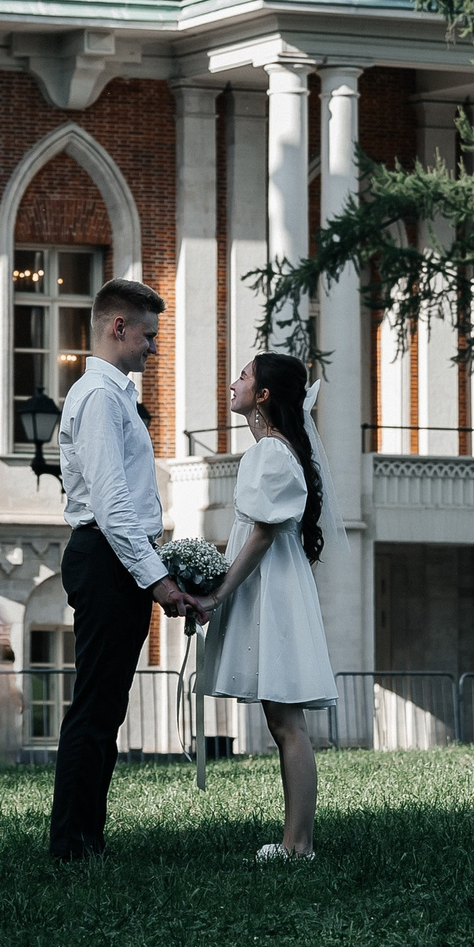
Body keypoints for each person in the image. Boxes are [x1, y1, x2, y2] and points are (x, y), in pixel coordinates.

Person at [47, 277, 192, 863]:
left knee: (105, 706)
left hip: (110, 559)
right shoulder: (101, 397)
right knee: (96, 706)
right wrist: (155, 578)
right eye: (149, 336)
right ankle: (73, 845)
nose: (153, 348)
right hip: (105, 559)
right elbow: (111, 503)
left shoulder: (111, 396)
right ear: (118, 327)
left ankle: (85, 837)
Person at [193, 352, 338, 861]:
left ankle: (298, 844)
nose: (233, 383)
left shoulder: (270, 454)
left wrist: (216, 593)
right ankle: (296, 840)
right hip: (272, 583)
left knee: (286, 722)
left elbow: (258, 537)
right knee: (283, 721)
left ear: (263, 396)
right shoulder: (272, 452)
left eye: (244, 376)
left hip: (271, 588)